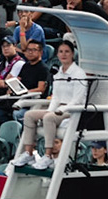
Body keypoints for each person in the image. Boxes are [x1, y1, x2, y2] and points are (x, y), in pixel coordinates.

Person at [15, 40, 90, 169]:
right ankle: (29, 153)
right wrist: (51, 110)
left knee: (49, 118)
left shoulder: (79, 73)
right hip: (58, 109)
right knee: (29, 115)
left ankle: (48, 155)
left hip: (71, 110)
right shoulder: (58, 73)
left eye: (67, 51)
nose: (64, 54)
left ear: (72, 54)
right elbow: (55, 97)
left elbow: (78, 99)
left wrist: (61, 109)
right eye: (61, 51)